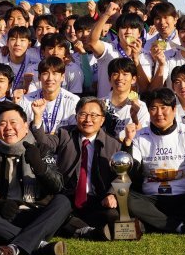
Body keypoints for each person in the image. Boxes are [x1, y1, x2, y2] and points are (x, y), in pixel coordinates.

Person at [0, 103, 69, 255]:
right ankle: (38, 245)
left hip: (37, 215)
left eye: (13, 123)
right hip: (5, 218)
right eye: (2, 124)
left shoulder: (40, 149)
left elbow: (57, 185)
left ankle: (14, 248)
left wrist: (39, 166)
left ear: (25, 126)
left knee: (63, 202)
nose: (8, 128)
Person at [125, 88, 185, 235]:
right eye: (153, 108)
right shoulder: (140, 136)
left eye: (163, 107)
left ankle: (152, 223)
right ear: (148, 111)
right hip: (152, 199)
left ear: (174, 110)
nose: (159, 113)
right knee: (126, 199)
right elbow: (131, 169)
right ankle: (179, 226)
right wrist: (128, 142)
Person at [42, 97, 124, 239]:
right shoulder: (65, 134)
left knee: (112, 216)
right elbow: (44, 143)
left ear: (102, 120)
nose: (88, 120)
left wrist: (111, 193)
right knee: (52, 211)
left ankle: (76, 226)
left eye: (94, 115)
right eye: (83, 114)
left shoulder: (114, 144)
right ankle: (84, 229)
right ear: (76, 117)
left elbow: (121, 174)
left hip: (96, 198)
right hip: (67, 196)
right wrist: (37, 118)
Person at [87, 12, 155, 96]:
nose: (128, 32)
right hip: (106, 105)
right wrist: (106, 15)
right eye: (124, 27)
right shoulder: (108, 48)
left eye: (133, 28)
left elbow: (145, 88)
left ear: (139, 33)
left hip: (132, 106)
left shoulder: (145, 55)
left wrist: (136, 60)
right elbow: (91, 42)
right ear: (118, 31)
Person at [21, 57, 81, 135]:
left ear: (63, 77)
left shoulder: (74, 101)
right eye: (45, 73)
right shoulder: (26, 100)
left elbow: (75, 132)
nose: (50, 78)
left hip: (62, 144)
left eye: (55, 73)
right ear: (39, 77)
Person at [100, 58, 149, 142]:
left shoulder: (141, 106)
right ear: (109, 79)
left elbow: (144, 135)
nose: (120, 78)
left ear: (133, 79)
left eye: (125, 74)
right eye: (115, 74)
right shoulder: (99, 104)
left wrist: (134, 118)